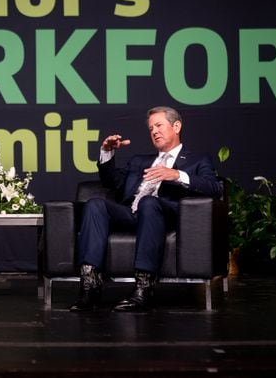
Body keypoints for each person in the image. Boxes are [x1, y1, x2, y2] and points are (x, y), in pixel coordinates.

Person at [70, 106, 222, 312]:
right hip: (132, 213)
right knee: (95, 204)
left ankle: (143, 288)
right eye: (151, 128)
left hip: (164, 215)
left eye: (159, 125)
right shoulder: (139, 161)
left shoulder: (197, 160)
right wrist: (107, 153)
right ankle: (90, 288)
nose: (154, 131)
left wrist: (177, 175)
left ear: (176, 126)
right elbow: (111, 182)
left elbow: (213, 188)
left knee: (148, 203)